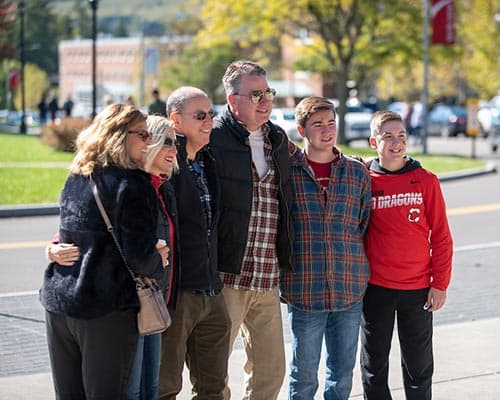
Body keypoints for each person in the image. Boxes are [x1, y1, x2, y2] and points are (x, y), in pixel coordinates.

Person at [39, 103, 168, 399]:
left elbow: (68, 240)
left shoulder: (76, 178)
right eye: (143, 134)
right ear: (119, 136)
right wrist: (157, 259)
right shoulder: (133, 184)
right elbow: (139, 258)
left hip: (59, 303)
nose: (149, 141)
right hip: (104, 309)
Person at [210, 60, 294, 400]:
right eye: (255, 94)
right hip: (228, 275)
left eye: (268, 92)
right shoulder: (213, 138)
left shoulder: (277, 138)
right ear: (233, 101)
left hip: (267, 276)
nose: (265, 101)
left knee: (271, 371)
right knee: (213, 369)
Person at [280, 97, 372, 400]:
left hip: (349, 289)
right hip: (305, 290)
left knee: (342, 376)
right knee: (303, 377)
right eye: (318, 124)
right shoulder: (288, 174)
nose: (327, 130)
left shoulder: (356, 173)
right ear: (301, 129)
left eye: (331, 123)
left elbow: (362, 223)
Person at [360, 110, 453, 400]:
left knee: (418, 366)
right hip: (375, 288)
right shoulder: (364, 179)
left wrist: (440, 284)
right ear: (374, 141)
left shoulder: (425, 180)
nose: (396, 142)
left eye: (401, 135)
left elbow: (441, 237)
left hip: (417, 288)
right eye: (388, 136)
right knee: (374, 366)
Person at [158, 86, 230, 399]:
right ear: (176, 120)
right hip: (177, 295)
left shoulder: (208, 161)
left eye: (211, 114)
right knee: (165, 388)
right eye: (200, 115)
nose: (209, 121)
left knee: (214, 389)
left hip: (212, 293)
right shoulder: (165, 167)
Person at [125, 115, 181, 400]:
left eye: (176, 143)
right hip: (130, 305)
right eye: (167, 142)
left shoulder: (164, 188)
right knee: (132, 391)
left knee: (151, 389)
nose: (173, 150)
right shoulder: (133, 187)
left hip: (155, 301)